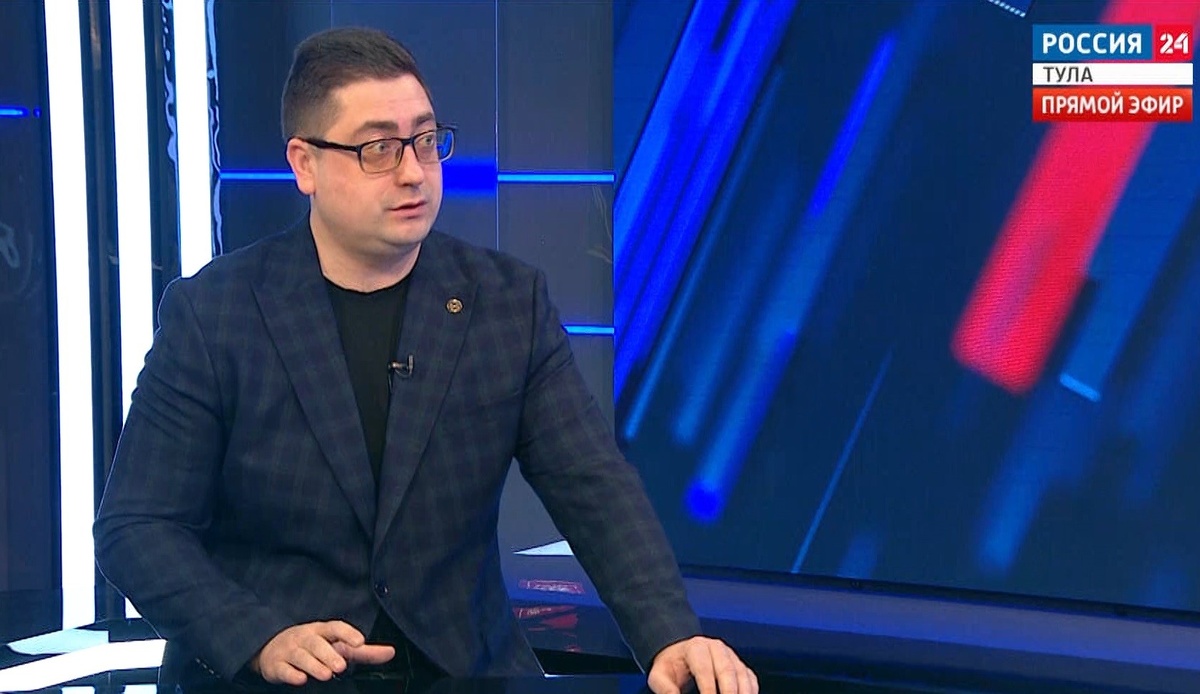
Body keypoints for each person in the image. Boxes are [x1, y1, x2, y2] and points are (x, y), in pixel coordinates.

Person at [94, 26, 758, 694]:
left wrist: (670, 634)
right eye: (379, 149)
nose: (413, 171)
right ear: (305, 164)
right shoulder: (216, 314)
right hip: (277, 680)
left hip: (463, 671)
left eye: (425, 140)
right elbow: (136, 527)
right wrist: (258, 637)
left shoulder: (506, 303)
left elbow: (593, 486)